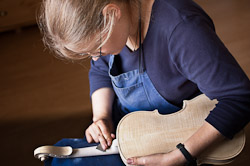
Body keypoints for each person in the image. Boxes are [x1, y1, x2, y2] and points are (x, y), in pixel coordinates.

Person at [38, 0, 250, 165]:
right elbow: (101, 69)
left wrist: (180, 155)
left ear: (111, 14)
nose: (94, 57)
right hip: (133, 132)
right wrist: (101, 117)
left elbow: (239, 98)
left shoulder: (182, 28)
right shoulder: (114, 28)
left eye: (97, 49)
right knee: (59, 155)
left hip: (180, 144)